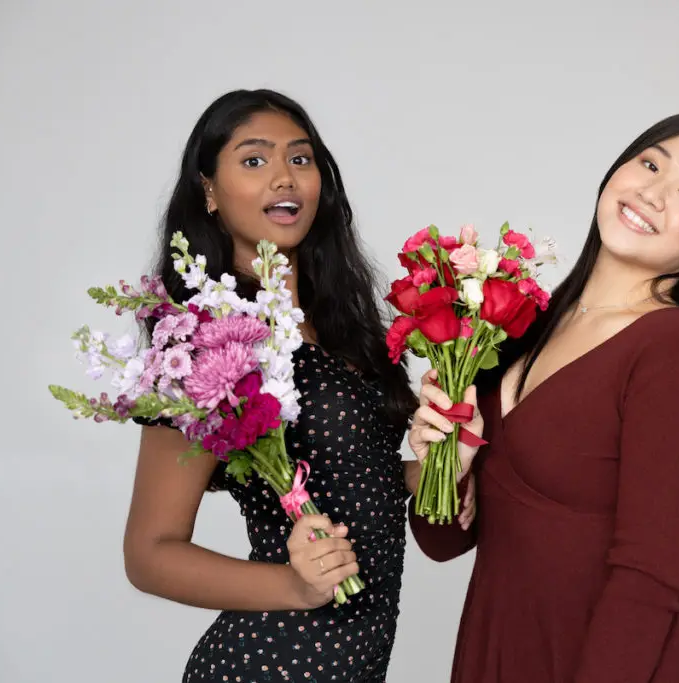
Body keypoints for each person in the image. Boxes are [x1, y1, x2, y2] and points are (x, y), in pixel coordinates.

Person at [408, 111, 679, 682]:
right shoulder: (525, 322)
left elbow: (647, 579)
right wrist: (449, 465)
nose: (653, 193)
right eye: (650, 163)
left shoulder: (676, 352)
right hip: (509, 647)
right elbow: (440, 542)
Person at [122, 89, 426, 682]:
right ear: (208, 189)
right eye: (255, 160)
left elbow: (354, 477)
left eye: (301, 159)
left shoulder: (343, 325)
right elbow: (149, 553)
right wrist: (291, 584)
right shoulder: (203, 342)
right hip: (269, 663)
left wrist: (437, 468)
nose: (284, 178)